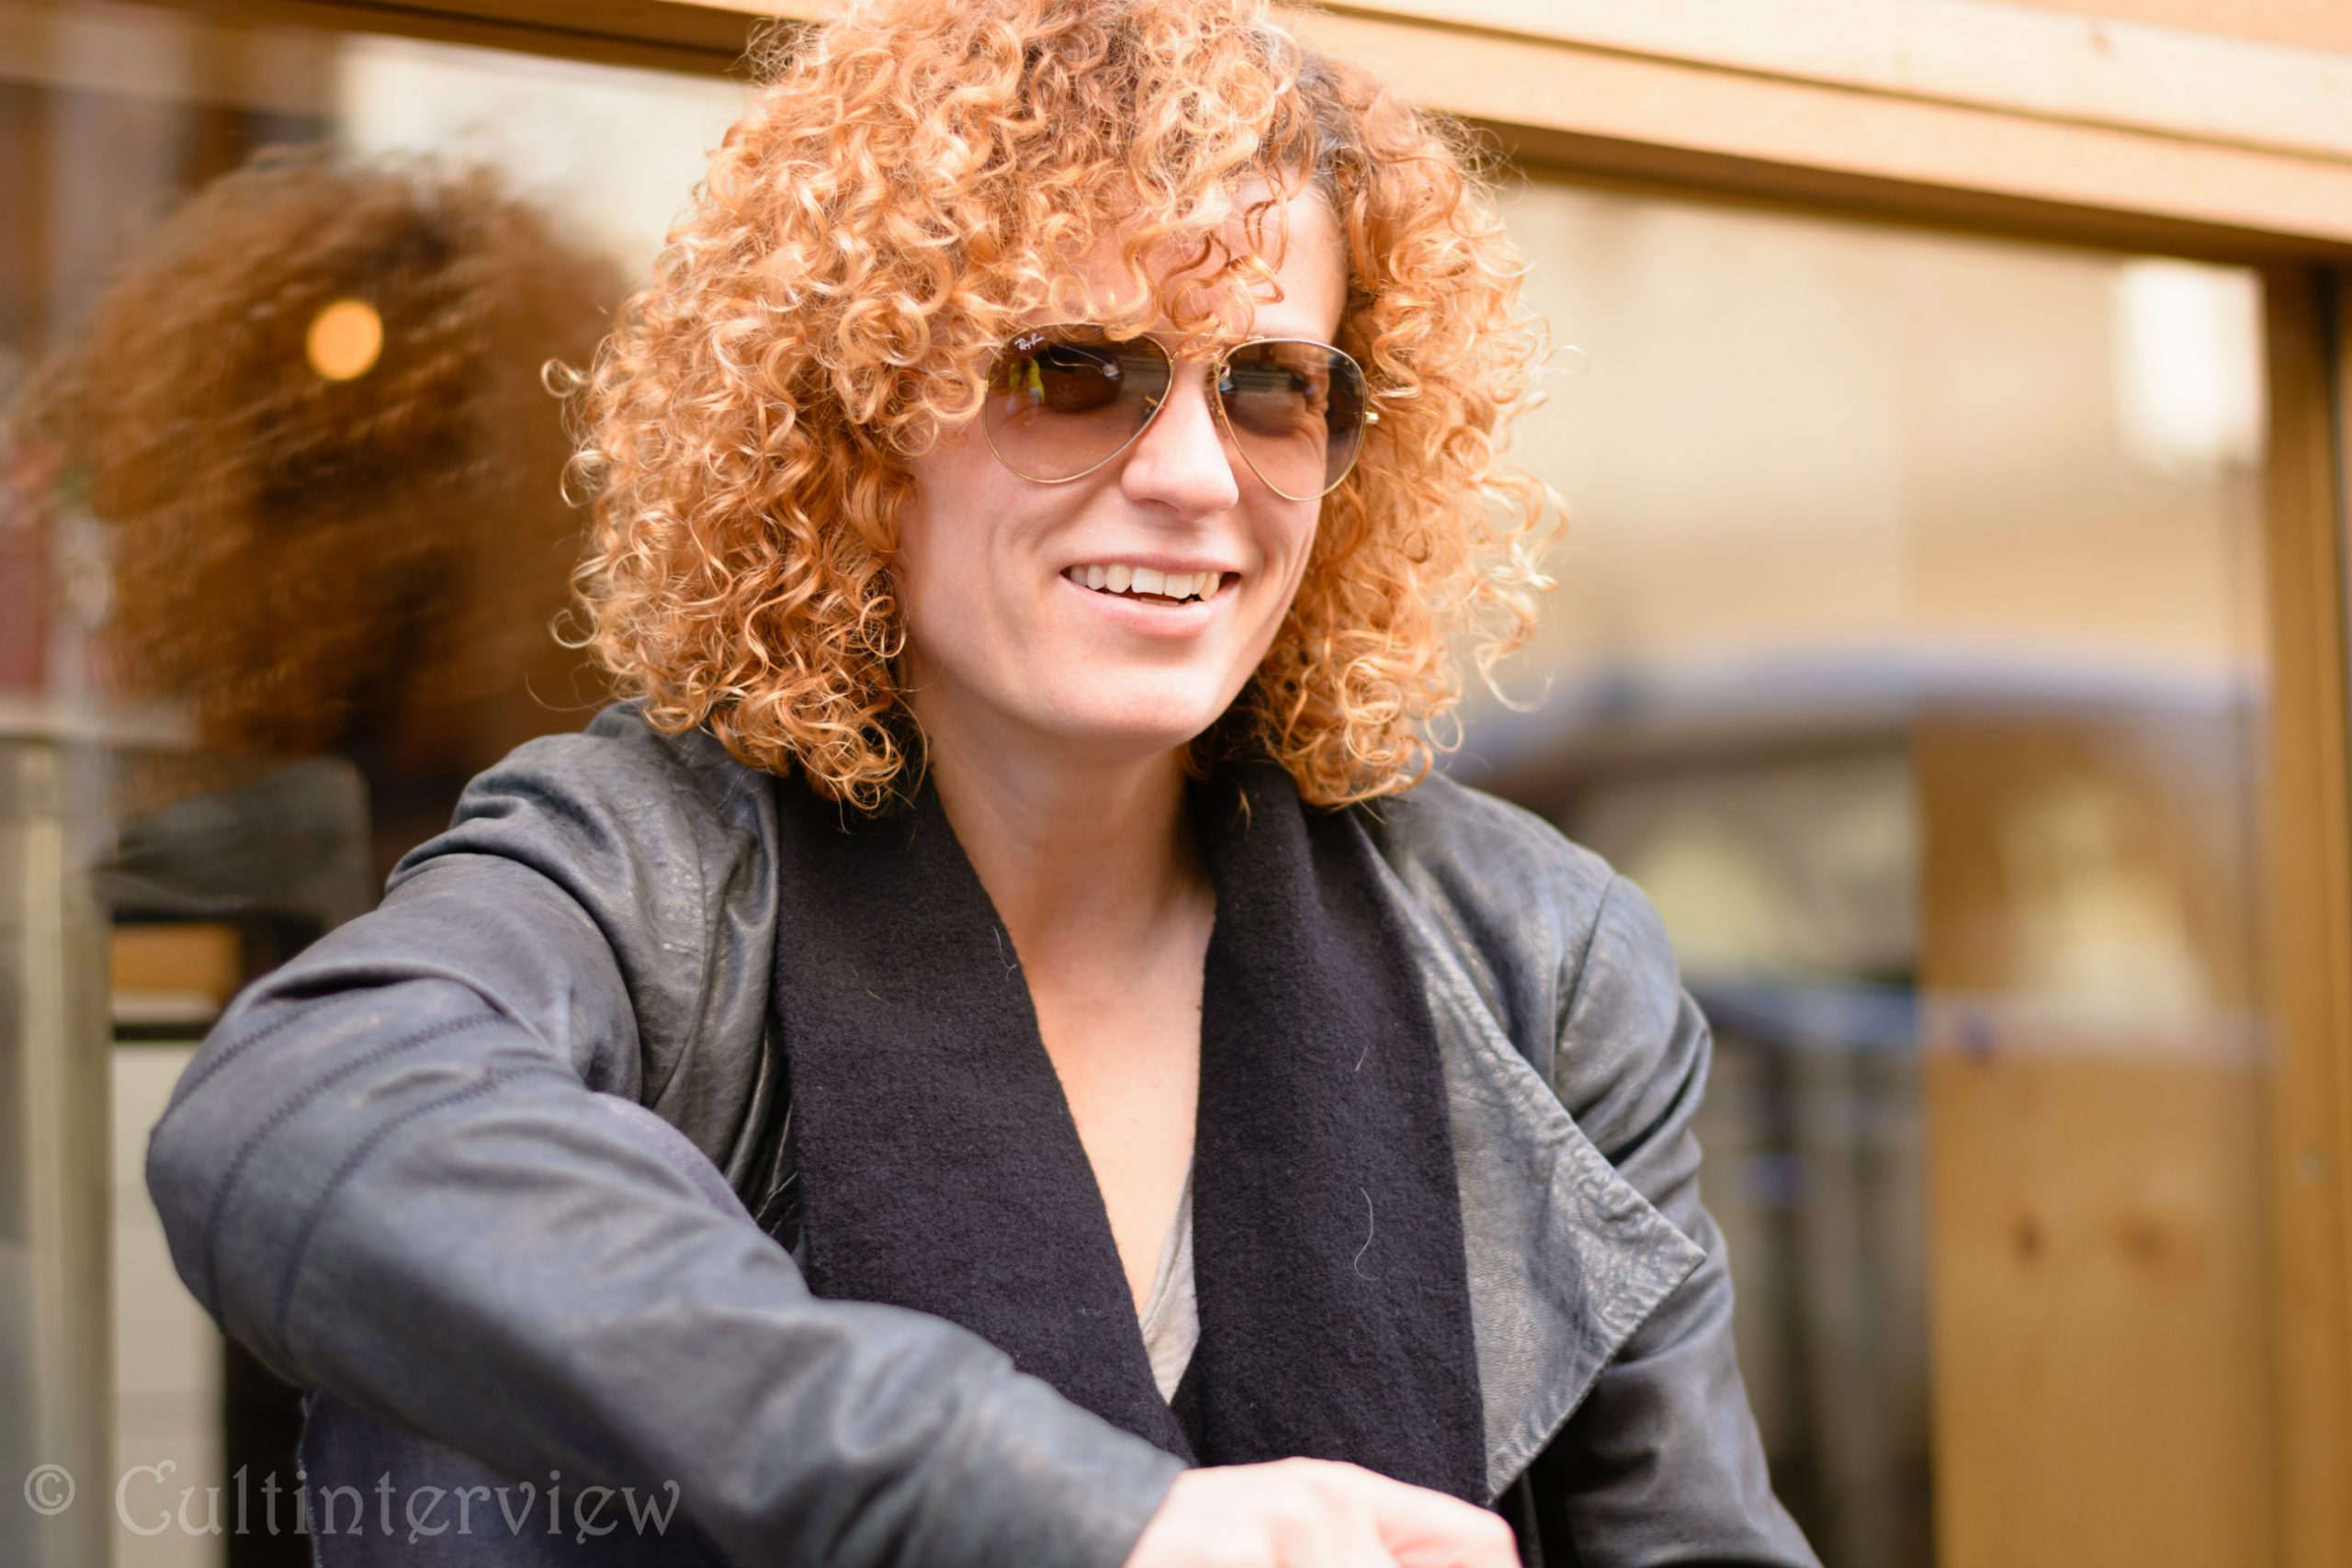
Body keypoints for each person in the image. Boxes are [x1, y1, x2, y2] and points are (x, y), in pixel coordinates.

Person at [144, 1, 1820, 1564]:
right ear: (861, 429)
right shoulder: (654, 879)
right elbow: (303, 1111)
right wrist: (1089, 1523)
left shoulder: (1541, 961)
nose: (1194, 476)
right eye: (1070, 373)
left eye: (1270, 388)